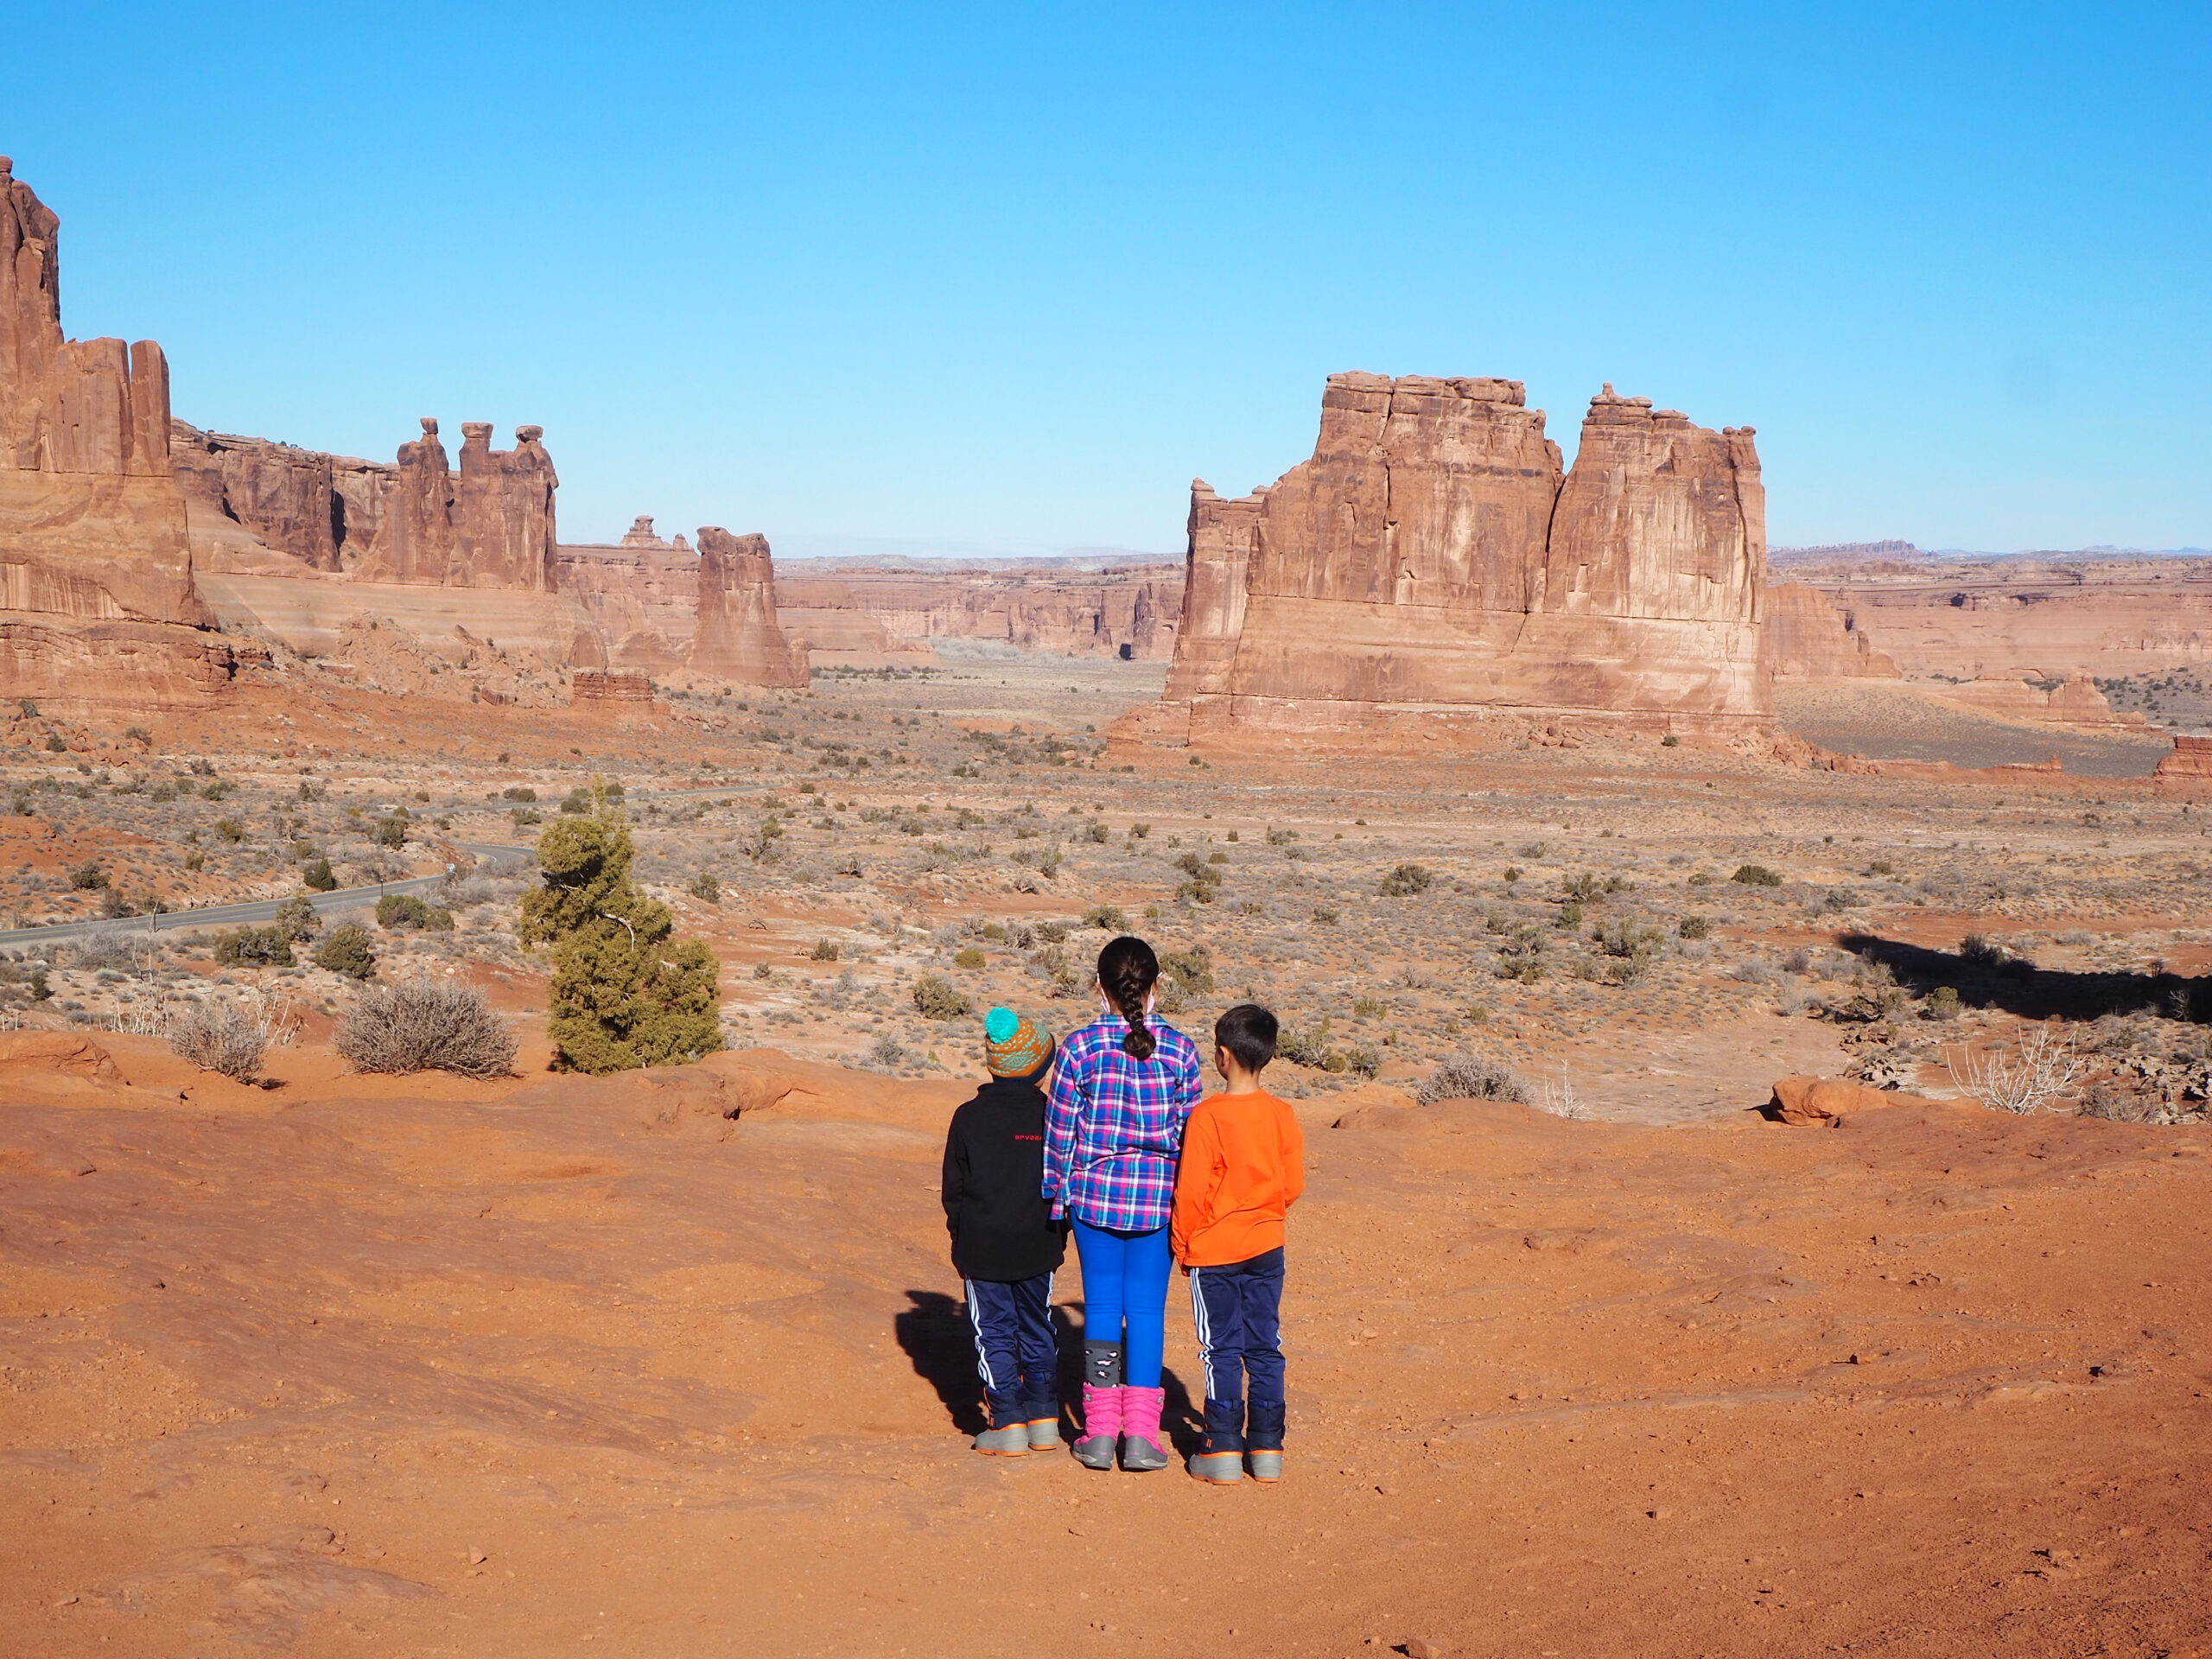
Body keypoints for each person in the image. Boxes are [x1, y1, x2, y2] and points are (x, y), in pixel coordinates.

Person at [1044, 935, 1203, 1471]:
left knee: (1104, 1313)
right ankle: (1141, 1436)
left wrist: (1056, 1199)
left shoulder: (1078, 1048)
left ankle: (1099, 1432)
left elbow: (1059, 1133)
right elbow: (1193, 1135)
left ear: (1099, 988)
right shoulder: (1181, 1050)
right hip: (1158, 1202)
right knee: (1147, 1315)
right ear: (1156, 986)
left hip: (1094, 1201)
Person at [1171, 1003, 1304, 1484]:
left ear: (1222, 1055)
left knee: (1220, 1349)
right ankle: (1268, 1447)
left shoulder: (1207, 1117)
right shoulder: (1282, 1114)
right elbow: (1292, 1185)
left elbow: (1190, 1191)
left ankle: (1222, 1445)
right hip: (1268, 1245)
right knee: (1265, 1343)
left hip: (1215, 1251)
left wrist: (1184, 1246)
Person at [942, 1007, 1067, 1456]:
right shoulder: (1054, 1116)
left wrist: (961, 1240)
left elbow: (953, 1190)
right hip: (1039, 1245)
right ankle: (1045, 1419)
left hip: (983, 1249)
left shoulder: (968, 1117)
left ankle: (1008, 1421)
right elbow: (1064, 1182)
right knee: (1037, 1327)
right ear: (1039, 1066)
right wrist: (1060, 1232)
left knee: (993, 1332)